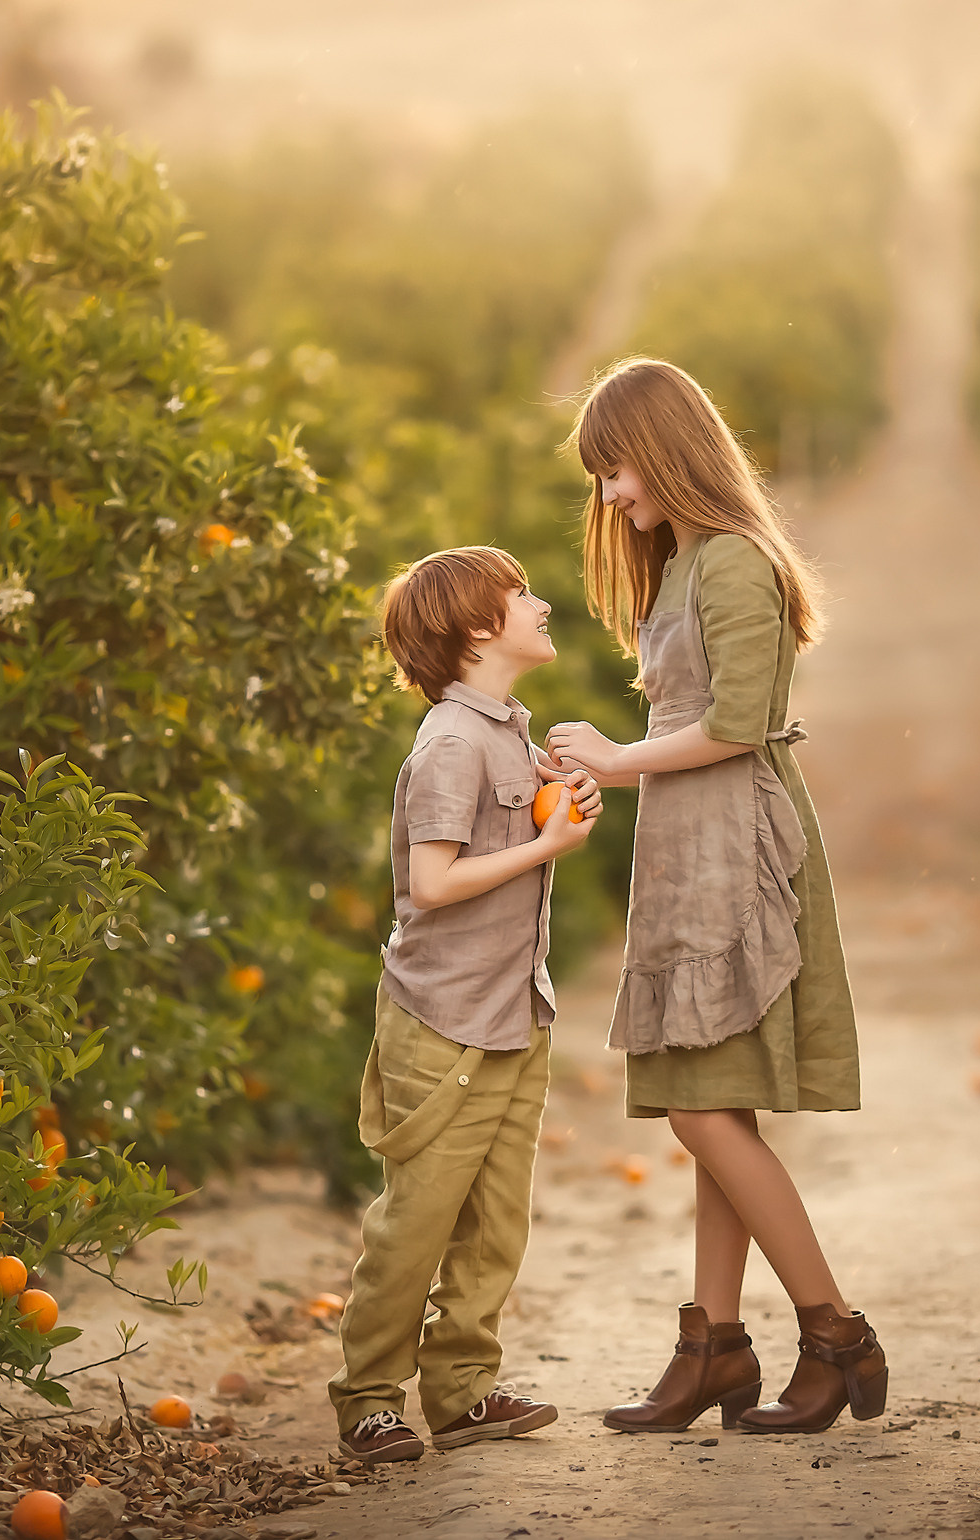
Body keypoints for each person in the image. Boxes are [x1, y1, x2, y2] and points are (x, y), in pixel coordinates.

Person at [545, 358, 887, 1436]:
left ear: (672, 448)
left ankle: (835, 1331)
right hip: (687, 845)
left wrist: (614, 756)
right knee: (714, 1101)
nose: (611, 495)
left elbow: (737, 726)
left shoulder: (734, 560)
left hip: (732, 844)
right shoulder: (685, 565)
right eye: (600, 477)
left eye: (619, 468)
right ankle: (714, 1350)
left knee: (701, 1108)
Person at [328, 545, 603, 1463]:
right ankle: (367, 1398)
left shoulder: (507, 732)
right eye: (521, 596)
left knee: (495, 1221)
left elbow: (520, 827)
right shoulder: (449, 741)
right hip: (442, 1021)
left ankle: (461, 1390)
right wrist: (546, 848)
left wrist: (566, 801)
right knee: (417, 1218)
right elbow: (433, 882)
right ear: (479, 629)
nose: (541, 605)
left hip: (513, 1010)